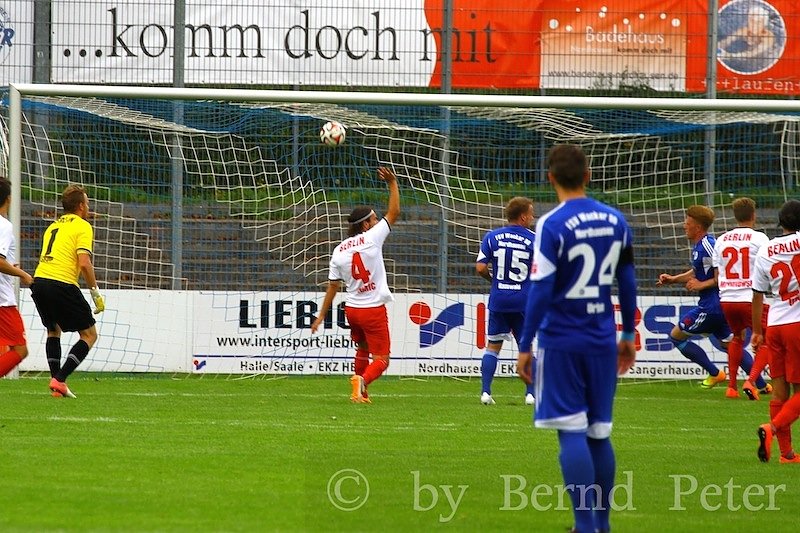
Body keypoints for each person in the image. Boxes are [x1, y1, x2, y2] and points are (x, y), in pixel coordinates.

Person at [517, 144, 637, 533]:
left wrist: (525, 345)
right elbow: (628, 279)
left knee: (571, 431)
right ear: (587, 175)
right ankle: (601, 525)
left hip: (562, 340)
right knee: (599, 432)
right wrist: (629, 333)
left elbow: (540, 288)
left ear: (550, 178)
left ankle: (584, 526)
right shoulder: (616, 219)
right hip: (602, 338)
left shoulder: (551, 225)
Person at [311, 167, 399, 403]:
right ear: (366, 225)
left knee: (362, 348)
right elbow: (394, 212)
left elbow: (332, 287)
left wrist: (320, 317)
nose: (377, 219)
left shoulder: (339, 250)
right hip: (372, 309)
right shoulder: (372, 237)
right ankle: (362, 381)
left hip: (352, 310)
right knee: (381, 359)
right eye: (373, 218)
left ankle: (360, 393)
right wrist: (392, 183)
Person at [30, 184, 104, 398]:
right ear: (81, 206)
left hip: (40, 281)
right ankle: (60, 379)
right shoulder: (82, 226)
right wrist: (95, 293)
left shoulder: (52, 227)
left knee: (54, 330)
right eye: (87, 203)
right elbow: (84, 262)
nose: (88, 207)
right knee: (89, 334)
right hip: (61, 282)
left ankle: (55, 385)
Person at [657, 205, 732, 389]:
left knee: (676, 336)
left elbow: (721, 275)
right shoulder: (701, 246)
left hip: (711, 306)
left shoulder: (709, 245)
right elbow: (697, 271)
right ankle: (761, 384)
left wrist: (700, 285)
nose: (684, 225)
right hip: (715, 305)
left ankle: (715, 373)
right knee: (730, 345)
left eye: (687, 222)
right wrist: (673, 279)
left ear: (697, 226)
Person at [475, 197, 537, 406]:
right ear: (523, 216)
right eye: (531, 213)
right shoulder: (535, 240)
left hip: (499, 299)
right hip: (523, 301)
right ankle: (531, 394)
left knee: (493, 347)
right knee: (526, 347)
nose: (532, 217)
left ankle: (485, 392)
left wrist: (495, 281)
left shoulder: (491, 237)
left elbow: (481, 268)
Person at [754, 199, 800, 464]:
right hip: (797, 325)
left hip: (775, 324)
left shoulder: (765, 249)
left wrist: (758, 331)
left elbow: (757, 293)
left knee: (779, 393)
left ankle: (786, 454)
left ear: (780, 222)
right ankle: (770, 429)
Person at [712, 197, 771, 399]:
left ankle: (731, 387)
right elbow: (768, 268)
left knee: (736, 338)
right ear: (753, 215)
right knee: (767, 341)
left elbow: (717, 273)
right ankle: (751, 381)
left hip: (727, 298)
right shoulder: (760, 239)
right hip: (750, 298)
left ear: (734, 216)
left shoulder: (721, 240)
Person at [0, 178, 34, 379]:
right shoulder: (3, 226)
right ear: (9, 198)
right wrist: (23, 275)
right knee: (20, 349)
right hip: (2, 300)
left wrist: (10, 268)